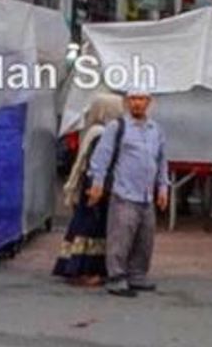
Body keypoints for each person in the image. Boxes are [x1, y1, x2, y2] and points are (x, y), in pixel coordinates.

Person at [88, 88, 169, 298]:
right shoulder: (117, 127)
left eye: (141, 99)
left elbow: (161, 161)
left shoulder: (155, 130)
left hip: (146, 195)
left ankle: (137, 275)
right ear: (127, 102)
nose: (137, 103)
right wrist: (97, 183)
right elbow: (102, 157)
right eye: (133, 99)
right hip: (124, 193)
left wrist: (163, 187)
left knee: (145, 238)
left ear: (148, 102)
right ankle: (116, 277)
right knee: (120, 237)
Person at [53, 93, 124, 286]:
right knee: (91, 229)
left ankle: (74, 267)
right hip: (95, 188)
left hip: (90, 185)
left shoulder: (93, 130)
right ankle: (83, 271)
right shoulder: (102, 133)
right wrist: (99, 187)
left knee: (83, 226)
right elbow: (98, 163)